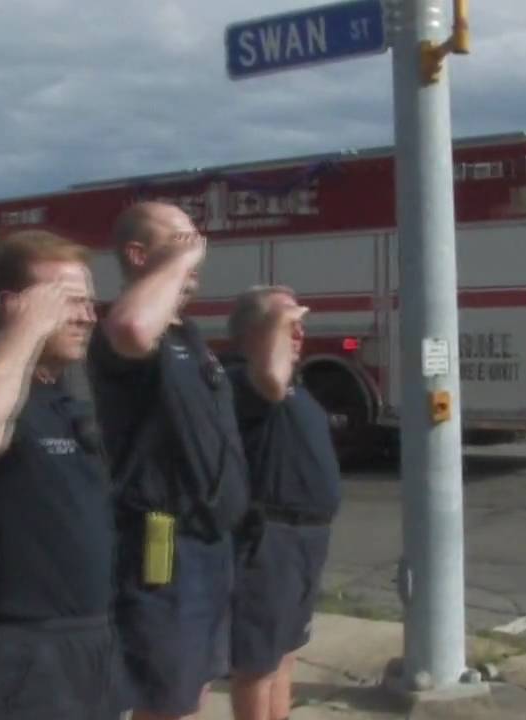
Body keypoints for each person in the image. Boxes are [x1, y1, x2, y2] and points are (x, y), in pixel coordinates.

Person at [0, 230, 130, 719]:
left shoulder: (66, 401)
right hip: (27, 650)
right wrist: (25, 330)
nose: (88, 316)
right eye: (68, 302)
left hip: (95, 640)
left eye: (90, 302)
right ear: (14, 305)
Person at [88, 201, 250, 720]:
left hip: (210, 544)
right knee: (164, 700)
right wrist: (181, 260)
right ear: (138, 254)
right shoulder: (126, 335)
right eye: (180, 240)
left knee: (194, 689)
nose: (196, 250)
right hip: (162, 547)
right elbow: (133, 326)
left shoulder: (187, 337)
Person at [225, 286, 342, 720]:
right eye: (287, 324)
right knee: (258, 660)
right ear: (255, 332)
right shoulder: (245, 380)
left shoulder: (293, 383)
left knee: (287, 650)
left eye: (299, 326)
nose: (299, 333)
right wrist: (277, 323)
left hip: (306, 538)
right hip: (270, 537)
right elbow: (270, 379)